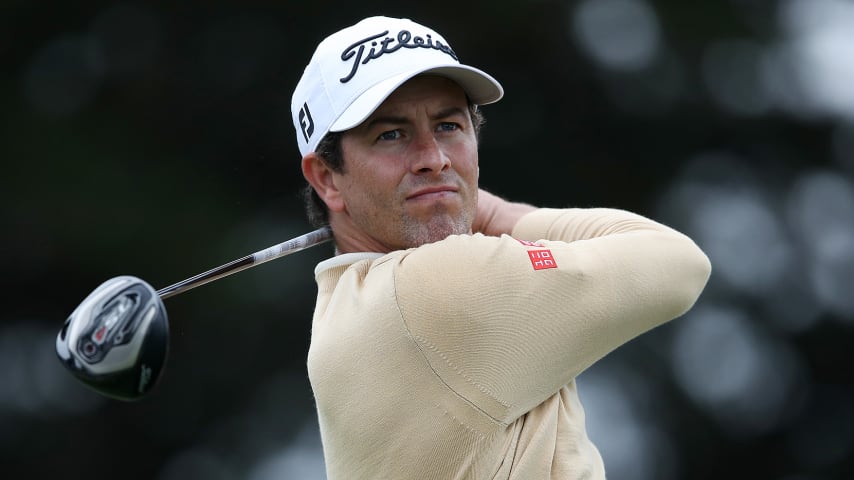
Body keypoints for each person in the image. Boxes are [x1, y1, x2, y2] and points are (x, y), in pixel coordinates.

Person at [291, 15, 711, 480]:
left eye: (449, 125)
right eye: (391, 135)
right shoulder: (439, 286)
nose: (434, 159)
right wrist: (497, 214)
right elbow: (677, 263)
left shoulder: (340, 314)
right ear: (327, 178)